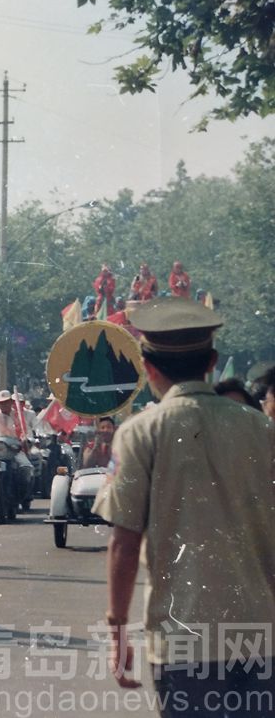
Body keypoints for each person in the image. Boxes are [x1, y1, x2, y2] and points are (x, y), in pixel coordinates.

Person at [92, 297, 275, 716]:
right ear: (212, 361)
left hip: (183, 641)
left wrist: (117, 634)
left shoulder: (140, 433)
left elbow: (123, 542)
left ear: (147, 366)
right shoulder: (263, 430)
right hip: (262, 637)